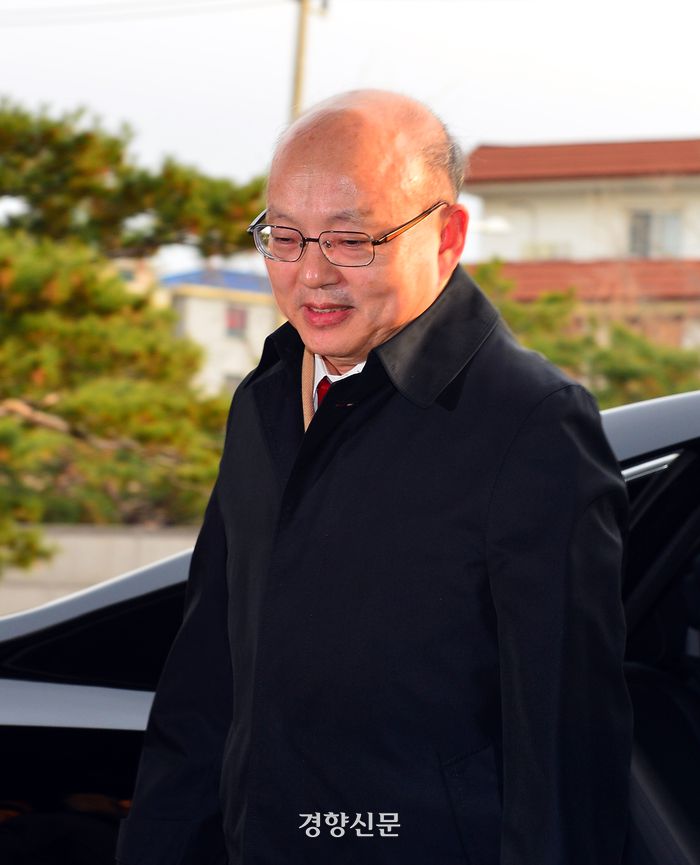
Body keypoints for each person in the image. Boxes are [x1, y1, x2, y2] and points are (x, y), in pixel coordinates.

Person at [116, 90, 632, 865]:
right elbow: (205, 688)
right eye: (285, 236)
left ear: (447, 236)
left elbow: (566, 754)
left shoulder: (532, 425)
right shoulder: (265, 399)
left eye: (351, 239)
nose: (310, 273)